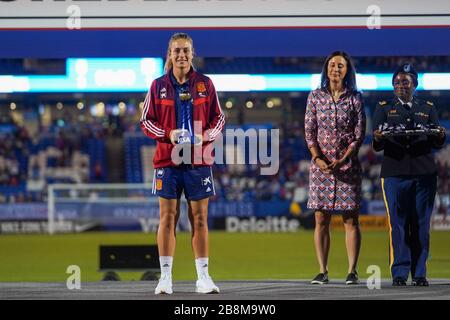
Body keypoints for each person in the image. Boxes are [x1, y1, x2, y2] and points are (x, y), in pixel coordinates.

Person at [140, 33, 225, 294]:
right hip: (167, 160)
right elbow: (146, 122)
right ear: (170, 54)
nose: (181, 55)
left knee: (199, 219)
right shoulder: (157, 86)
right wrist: (169, 134)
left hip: (199, 160)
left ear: (192, 53)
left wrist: (205, 136)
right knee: (167, 218)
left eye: (186, 50)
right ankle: (165, 278)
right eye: (176, 51)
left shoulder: (205, 84)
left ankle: (203, 278)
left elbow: (219, 120)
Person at [372, 63, 446, 286]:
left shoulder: (428, 107)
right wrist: (377, 136)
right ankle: (400, 274)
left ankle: (420, 273)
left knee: (422, 224)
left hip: (424, 173)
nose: (400, 85)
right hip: (394, 172)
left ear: (414, 83)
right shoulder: (383, 107)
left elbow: (436, 140)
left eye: (405, 81)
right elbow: (376, 143)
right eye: (396, 81)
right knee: (398, 224)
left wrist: (440, 134)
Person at [304, 51, 366, 285]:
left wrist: (343, 159)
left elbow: (359, 135)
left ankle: (352, 271)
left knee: (350, 219)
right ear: (326, 69)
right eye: (332, 65)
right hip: (320, 168)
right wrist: (318, 158)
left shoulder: (355, 98)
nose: (336, 69)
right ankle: (323, 270)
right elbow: (310, 132)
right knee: (321, 219)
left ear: (347, 70)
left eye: (341, 65)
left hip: (348, 166)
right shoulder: (315, 97)